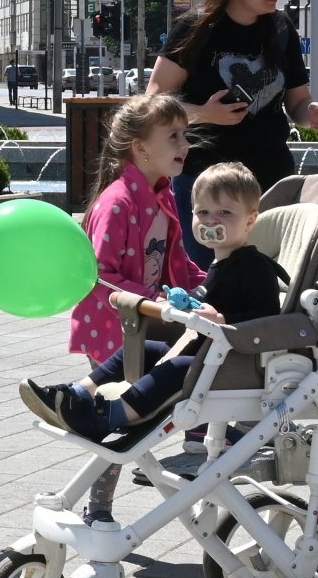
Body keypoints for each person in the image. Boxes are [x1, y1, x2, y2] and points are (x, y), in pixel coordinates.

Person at [26, 162, 286, 448]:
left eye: (224, 213)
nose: (212, 221)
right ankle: (78, 393)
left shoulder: (254, 266)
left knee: (177, 368)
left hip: (236, 364)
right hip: (208, 354)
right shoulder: (219, 265)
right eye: (203, 212)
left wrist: (223, 320)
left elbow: (268, 319)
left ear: (249, 221)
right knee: (146, 347)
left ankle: (109, 416)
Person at [46, 93, 205, 521]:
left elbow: (177, 262)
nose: (185, 144)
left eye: (184, 135)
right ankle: (97, 510)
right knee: (121, 420)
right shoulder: (117, 202)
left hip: (141, 323)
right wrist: (153, 301)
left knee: (132, 420)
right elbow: (99, 275)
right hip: (112, 324)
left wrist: (211, 283)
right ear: (141, 148)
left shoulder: (161, 194)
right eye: (173, 136)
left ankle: (98, 502)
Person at [148, 0, 318, 270]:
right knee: (208, 279)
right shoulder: (196, 28)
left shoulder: (282, 29)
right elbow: (153, 101)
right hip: (206, 183)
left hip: (271, 179)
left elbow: (297, 102)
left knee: (267, 279)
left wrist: (311, 113)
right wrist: (205, 114)